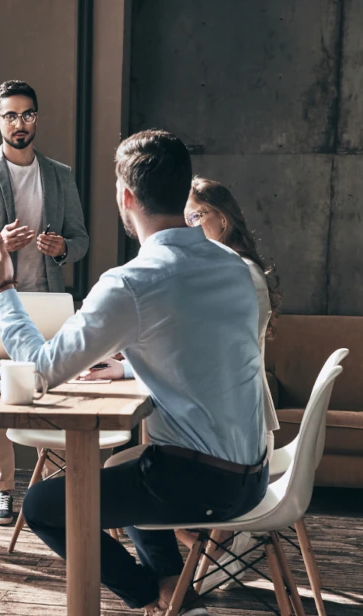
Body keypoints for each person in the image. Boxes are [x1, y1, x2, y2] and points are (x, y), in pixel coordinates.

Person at [0, 130, 268, 616]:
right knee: (128, 461)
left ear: (126, 197)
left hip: (201, 484)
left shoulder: (131, 282)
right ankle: (173, 589)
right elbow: (202, 350)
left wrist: (3, 289)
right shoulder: (237, 269)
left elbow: (40, 371)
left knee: (42, 506)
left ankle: (154, 599)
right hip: (253, 473)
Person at [87, 176, 282, 590]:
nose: (187, 227)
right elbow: (188, 351)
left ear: (223, 221)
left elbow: (199, 350)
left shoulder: (236, 274)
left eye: (196, 217)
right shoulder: (221, 271)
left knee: (134, 478)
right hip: (223, 424)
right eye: (184, 216)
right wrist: (127, 364)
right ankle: (188, 567)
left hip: (231, 432)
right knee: (132, 469)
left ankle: (177, 582)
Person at [0, 80, 89, 526]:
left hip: (44, 300)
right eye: (10, 115)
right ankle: (2, 491)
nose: (19, 123)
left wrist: (61, 248)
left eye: (27, 114)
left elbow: (82, 240)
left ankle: (49, 489)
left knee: (53, 388)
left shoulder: (61, 175)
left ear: (37, 118)